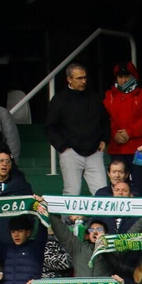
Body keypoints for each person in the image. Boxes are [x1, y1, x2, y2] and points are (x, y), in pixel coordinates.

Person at [45, 63, 109, 195]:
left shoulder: (94, 97)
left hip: (94, 151)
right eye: (79, 78)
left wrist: (104, 139)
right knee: (72, 192)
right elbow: (50, 127)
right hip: (70, 152)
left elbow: (104, 121)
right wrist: (63, 147)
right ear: (69, 79)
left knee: (102, 192)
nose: (83, 81)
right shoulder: (59, 100)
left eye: (85, 77)